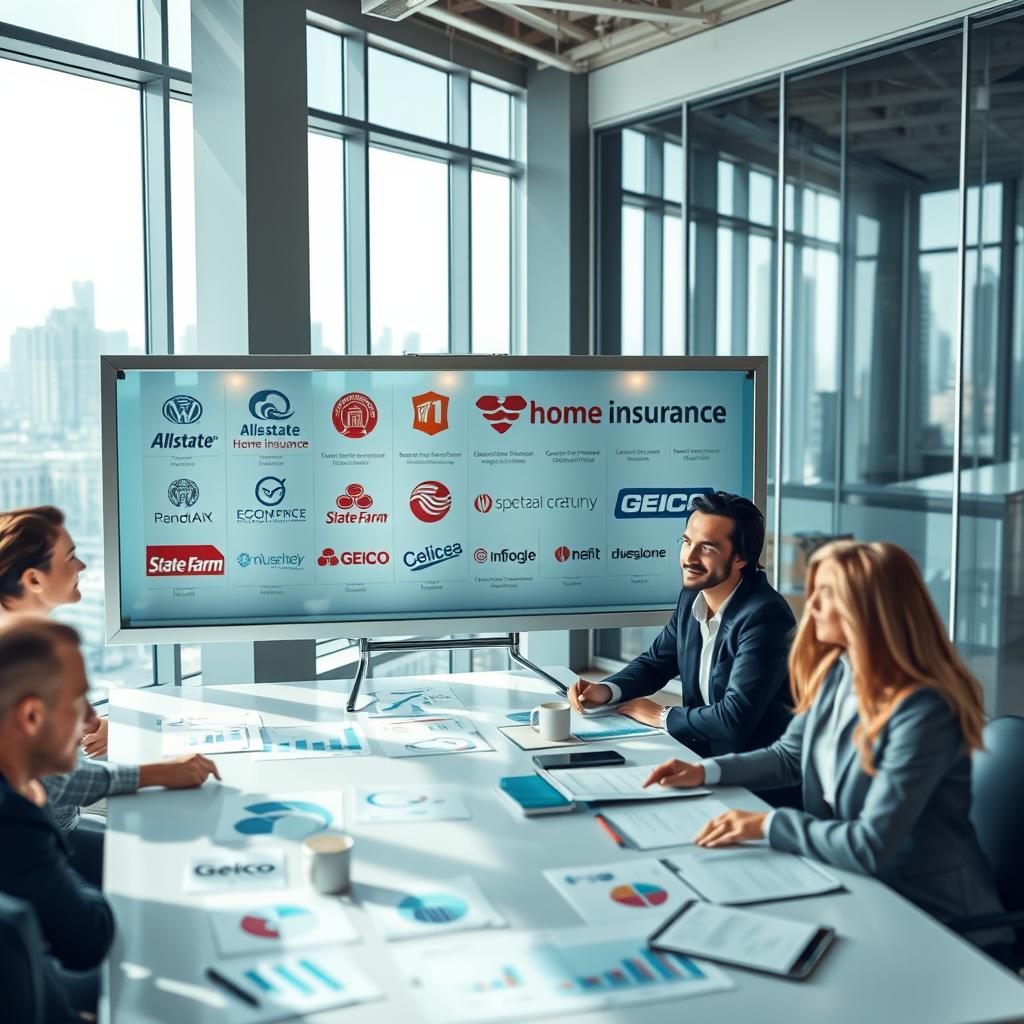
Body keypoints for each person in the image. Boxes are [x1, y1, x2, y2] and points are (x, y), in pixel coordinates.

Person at [642, 540, 1011, 949]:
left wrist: (765, 824)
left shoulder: (923, 710)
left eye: (826, 595)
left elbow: (870, 846)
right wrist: (705, 771)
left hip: (932, 918)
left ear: (870, 610)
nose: (810, 605)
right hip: (852, 886)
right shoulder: (841, 672)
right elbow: (789, 757)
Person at [0, 506, 219, 886]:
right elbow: (51, 781)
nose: (82, 566)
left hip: (61, 829)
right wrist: (159, 773)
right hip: (32, 857)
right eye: (70, 558)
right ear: (34, 579)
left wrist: (87, 724)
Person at [568, 492, 796, 760]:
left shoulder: (765, 616)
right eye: (687, 543)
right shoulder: (693, 596)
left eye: (707, 548)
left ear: (741, 558)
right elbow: (657, 662)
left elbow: (735, 718)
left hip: (754, 777)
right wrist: (606, 690)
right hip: (699, 757)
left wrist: (662, 715)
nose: (689, 558)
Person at [0, 617, 114, 1021]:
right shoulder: (14, 818)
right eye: (77, 701)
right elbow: (90, 938)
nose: (90, 722)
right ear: (30, 716)